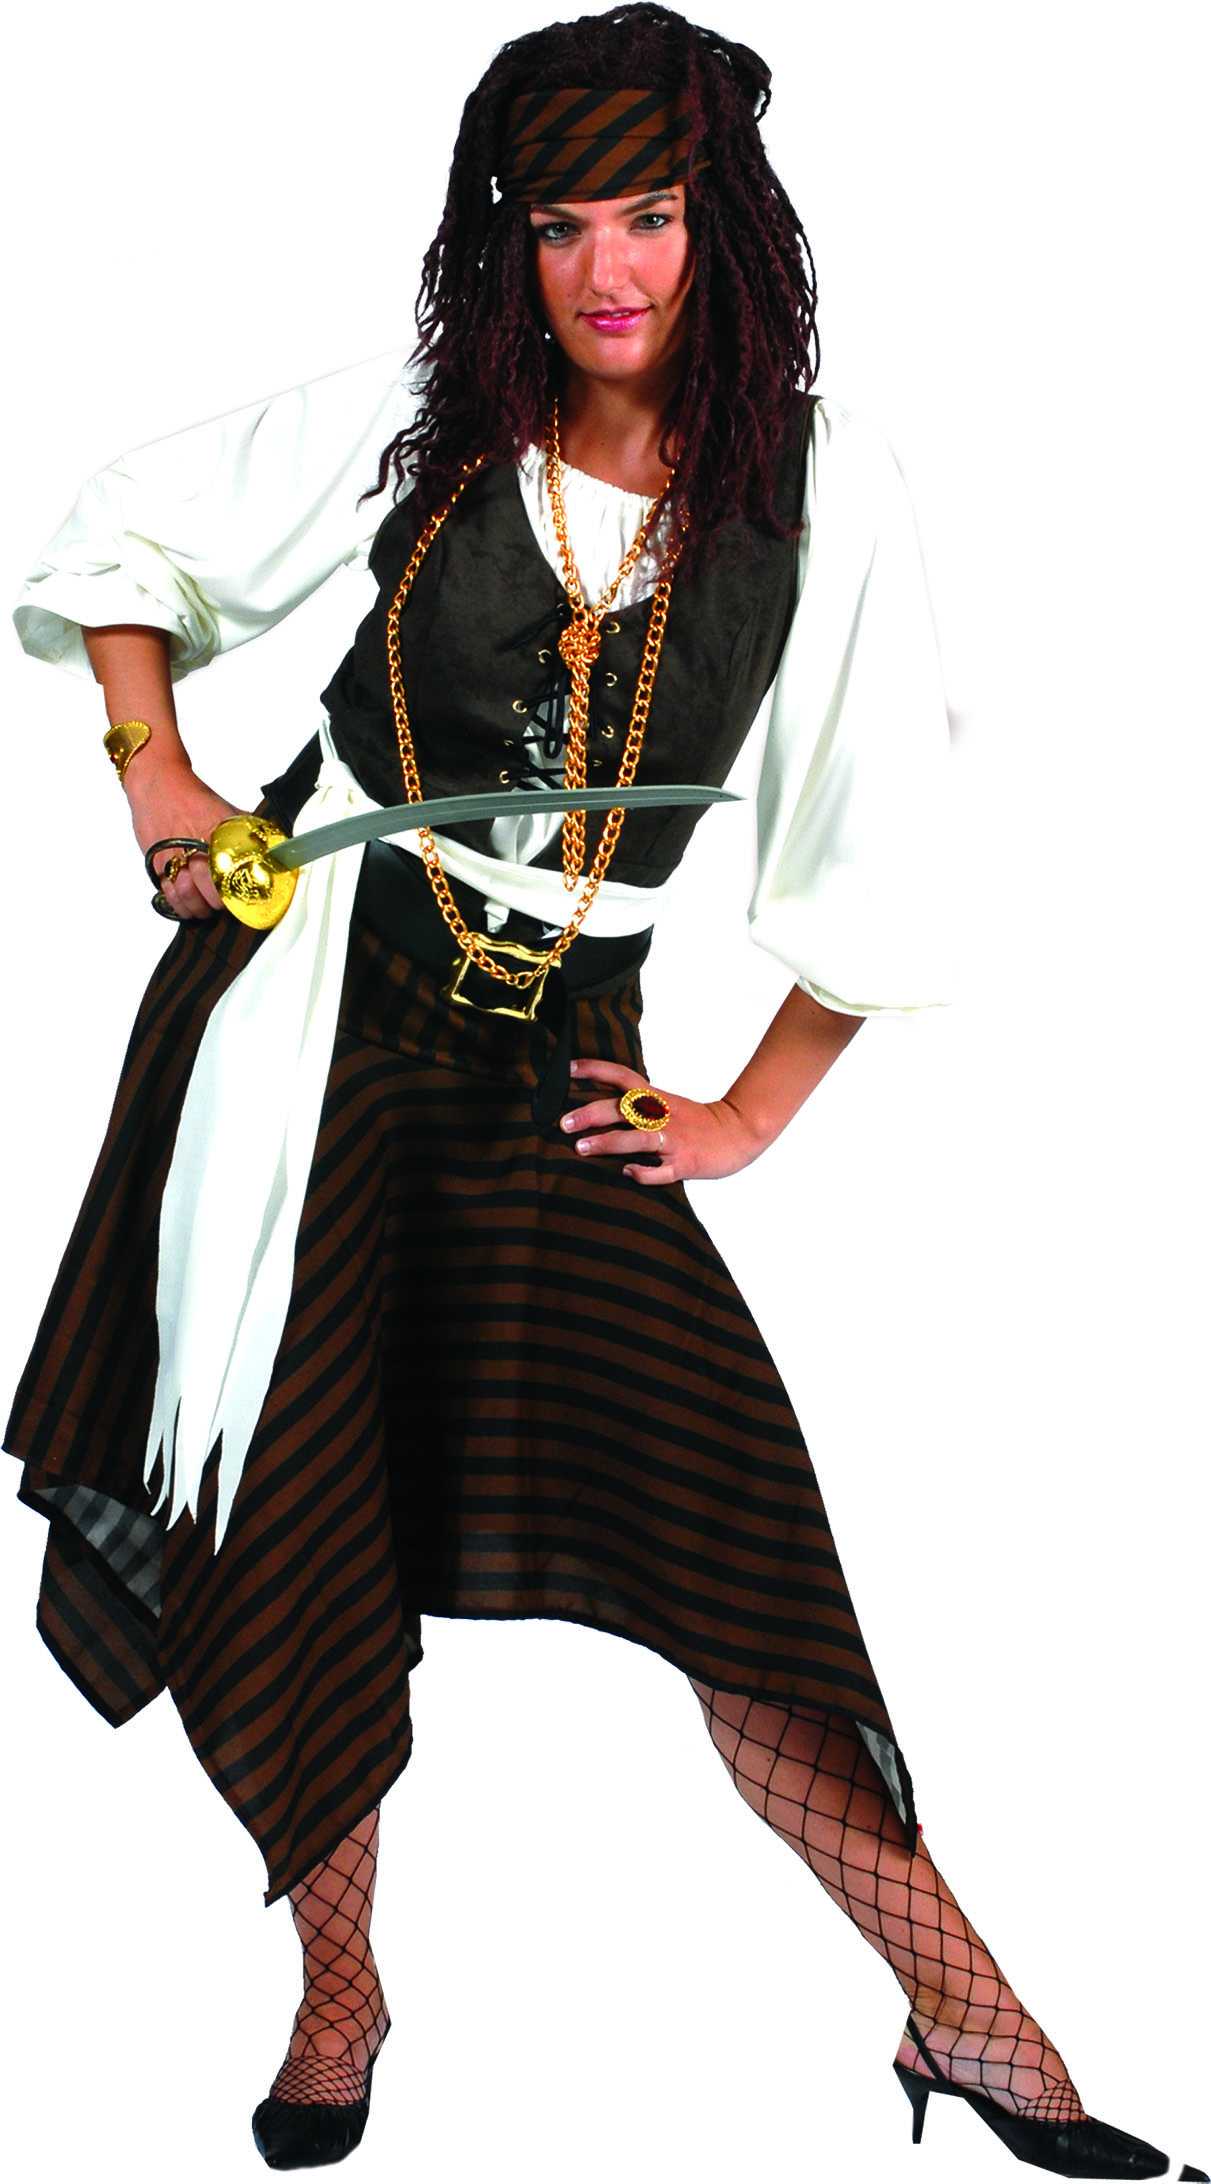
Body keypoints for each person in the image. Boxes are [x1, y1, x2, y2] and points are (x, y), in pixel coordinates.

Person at [5, 4, 1204, 2178]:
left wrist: (742, 1113)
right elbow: (123, 549)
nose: (604, 270)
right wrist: (154, 771)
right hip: (310, 1028)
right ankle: (340, 1995)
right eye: (557, 225)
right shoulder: (423, 425)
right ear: (510, 245)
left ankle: (969, 2018)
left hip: (564, 1061)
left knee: (727, 1531)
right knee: (302, 1519)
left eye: (645, 213)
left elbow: (878, 849)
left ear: (721, 222)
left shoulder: (820, 489)